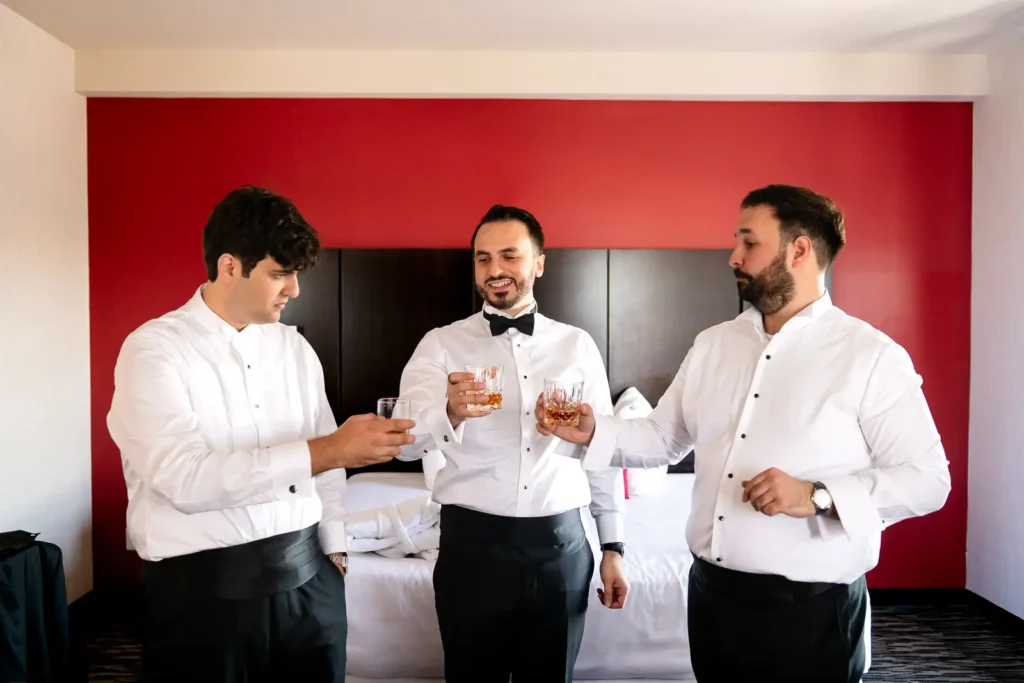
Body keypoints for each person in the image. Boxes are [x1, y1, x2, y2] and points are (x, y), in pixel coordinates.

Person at [536, 184, 952, 683]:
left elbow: (929, 480)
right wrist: (593, 431)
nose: (733, 256)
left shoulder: (871, 356)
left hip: (810, 612)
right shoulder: (712, 345)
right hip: (713, 600)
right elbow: (663, 438)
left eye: (749, 242)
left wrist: (817, 496)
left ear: (799, 249)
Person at [106, 185, 415, 683]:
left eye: (295, 274)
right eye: (280, 273)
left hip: (310, 587)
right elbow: (184, 479)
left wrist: (334, 549)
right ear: (230, 266)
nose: (294, 289)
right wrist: (326, 451)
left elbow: (328, 470)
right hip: (202, 598)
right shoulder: (153, 351)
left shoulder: (296, 349)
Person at [393, 205, 629, 682]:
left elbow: (601, 451)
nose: (495, 269)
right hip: (470, 549)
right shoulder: (440, 344)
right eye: (483, 259)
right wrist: (448, 413)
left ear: (538, 263)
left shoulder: (578, 345)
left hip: (561, 547)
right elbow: (402, 445)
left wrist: (613, 545)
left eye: (509, 256)